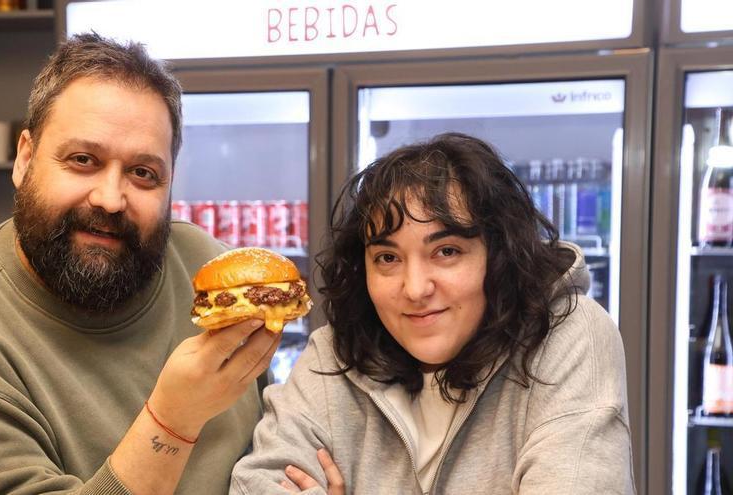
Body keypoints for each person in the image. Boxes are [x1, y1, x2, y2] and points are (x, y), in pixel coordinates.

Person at [0, 33, 280, 495]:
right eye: (82, 160)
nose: (111, 199)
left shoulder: (206, 269)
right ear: (25, 158)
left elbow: (270, 442)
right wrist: (173, 421)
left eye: (143, 173)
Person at [230, 133, 635, 494]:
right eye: (387, 258)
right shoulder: (332, 355)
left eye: (446, 252)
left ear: (499, 256)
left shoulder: (566, 333)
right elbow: (257, 483)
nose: (415, 288)